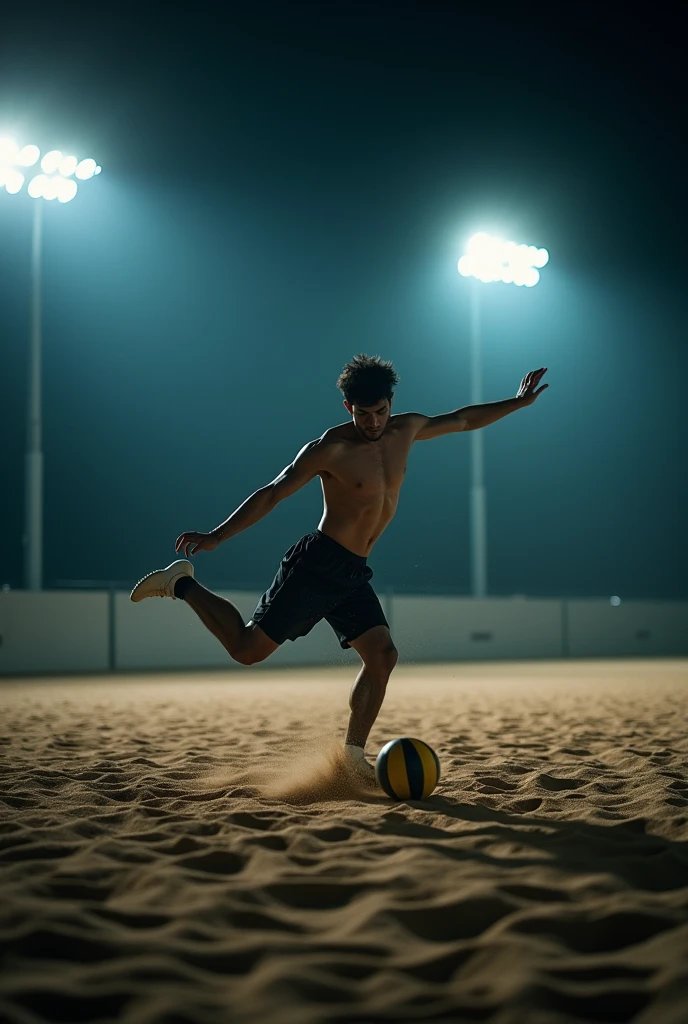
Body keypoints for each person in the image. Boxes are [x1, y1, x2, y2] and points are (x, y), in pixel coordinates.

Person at [131, 354, 548, 786]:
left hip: (353, 571)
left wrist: (517, 403)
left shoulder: (407, 428)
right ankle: (181, 584)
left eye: (380, 412)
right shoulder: (329, 449)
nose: (372, 422)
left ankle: (351, 757)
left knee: (383, 656)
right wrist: (218, 535)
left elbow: (463, 420)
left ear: (391, 402)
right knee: (246, 650)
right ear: (348, 408)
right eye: (362, 414)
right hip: (317, 564)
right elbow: (273, 493)